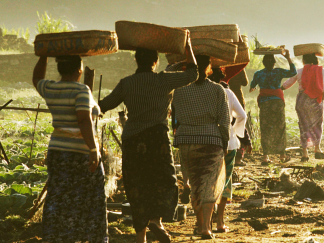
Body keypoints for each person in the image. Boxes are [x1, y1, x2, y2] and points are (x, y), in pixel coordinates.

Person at [100, 48, 198, 243]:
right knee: (163, 182)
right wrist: (187, 46)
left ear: (136, 60)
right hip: (157, 140)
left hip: (133, 141)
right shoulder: (165, 80)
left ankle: (141, 237)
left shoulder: (126, 83)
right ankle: (156, 220)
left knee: (137, 186)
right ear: (155, 61)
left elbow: (104, 105)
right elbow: (193, 74)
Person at [32, 55, 107, 243]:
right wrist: (93, 149)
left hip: (57, 150)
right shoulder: (81, 90)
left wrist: (43, 56)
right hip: (79, 152)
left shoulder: (50, 87)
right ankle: (88, 236)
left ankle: (57, 236)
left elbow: (36, 79)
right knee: (91, 194)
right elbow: (83, 119)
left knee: (59, 193)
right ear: (79, 71)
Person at [173, 55, 230, 240]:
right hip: (212, 141)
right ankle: (206, 227)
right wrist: (225, 143)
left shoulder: (179, 91)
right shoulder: (218, 90)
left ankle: (200, 225)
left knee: (196, 183)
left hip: (186, 141)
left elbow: (174, 118)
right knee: (210, 185)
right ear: (209, 69)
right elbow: (224, 120)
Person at [211, 74, 247, 234]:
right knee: (224, 182)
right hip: (228, 144)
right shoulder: (228, 92)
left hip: (207, 142)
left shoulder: (200, 90)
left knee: (207, 180)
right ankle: (220, 222)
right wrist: (235, 131)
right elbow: (242, 115)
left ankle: (203, 222)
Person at [249, 50, 297, 164]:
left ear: (263, 63)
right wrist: (288, 57)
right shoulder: (278, 72)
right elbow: (293, 72)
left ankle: (266, 156)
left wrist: (254, 88)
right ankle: (282, 155)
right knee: (280, 127)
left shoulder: (258, 74)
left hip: (265, 103)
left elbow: (252, 86)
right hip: (277, 102)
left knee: (265, 128)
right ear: (274, 63)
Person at [283, 53, 324, 162]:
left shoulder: (299, 71)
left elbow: (288, 83)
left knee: (303, 126)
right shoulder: (322, 71)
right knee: (317, 125)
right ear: (316, 60)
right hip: (316, 102)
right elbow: (323, 88)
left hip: (302, 102)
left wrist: (280, 88)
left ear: (304, 61)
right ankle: (317, 149)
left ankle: (305, 154)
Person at [227, 69, 253, 166]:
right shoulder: (239, 68)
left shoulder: (222, 67)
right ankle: (238, 158)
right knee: (240, 126)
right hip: (238, 98)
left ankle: (228, 155)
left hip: (223, 97)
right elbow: (245, 82)